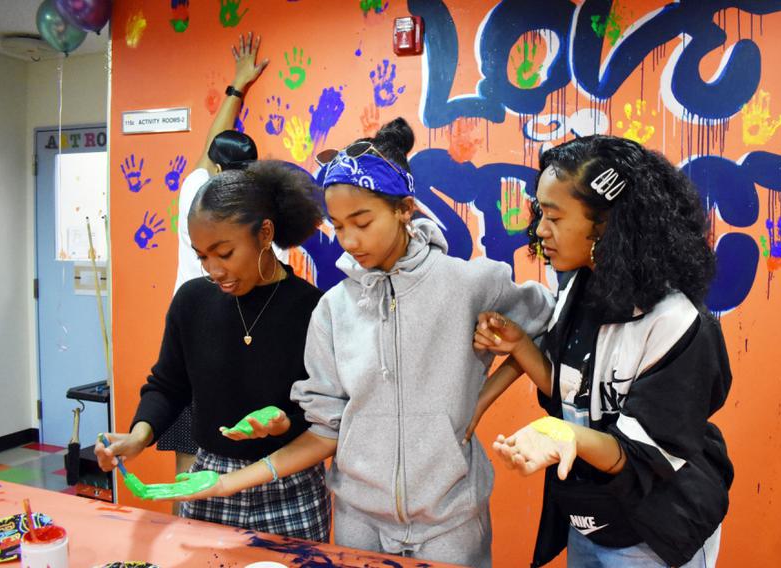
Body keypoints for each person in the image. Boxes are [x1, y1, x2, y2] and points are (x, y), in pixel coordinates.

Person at [162, 118, 555, 567]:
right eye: (338, 225)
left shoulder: (469, 284)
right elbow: (325, 429)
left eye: (362, 222)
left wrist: (483, 396)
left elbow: (550, 322)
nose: (349, 240)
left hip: (451, 524)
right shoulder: (333, 309)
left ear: (404, 209)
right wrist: (227, 483)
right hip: (358, 527)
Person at [473, 136, 734, 567]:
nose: (540, 229)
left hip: (656, 529)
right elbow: (574, 391)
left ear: (607, 223)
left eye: (553, 216)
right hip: (594, 516)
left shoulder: (676, 324)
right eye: (541, 213)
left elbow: (644, 456)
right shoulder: (580, 286)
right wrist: (520, 345)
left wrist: (563, 435)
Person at [95, 160, 330, 540]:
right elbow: (167, 385)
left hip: (289, 485)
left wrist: (286, 422)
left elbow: (323, 414)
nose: (213, 269)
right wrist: (138, 436)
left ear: (265, 233)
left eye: (224, 252)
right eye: (202, 256)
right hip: (208, 483)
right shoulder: (192, 301)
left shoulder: (313, 309)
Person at [162, 32, 286, 496]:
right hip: (215, 340)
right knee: (222, 470)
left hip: (211, 342)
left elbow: (210, 150)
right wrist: (238, 86)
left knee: (191, 479)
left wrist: (237, 86)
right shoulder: (264, 216)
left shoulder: (196, 191)